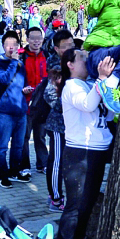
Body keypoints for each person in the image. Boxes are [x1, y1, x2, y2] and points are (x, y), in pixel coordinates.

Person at [55, 48, 115, 239]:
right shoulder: (71, 86)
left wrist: (109, 83)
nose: (88, 61)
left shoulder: (90, 84)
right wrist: (102, 78)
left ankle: (78, 238)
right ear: (70, 64)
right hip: (79, 151)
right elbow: (88, 104)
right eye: (82, 58)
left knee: (88, 200)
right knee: (75, 203)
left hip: (98, 149)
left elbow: (110, 111)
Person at [0, 31, 29, 188]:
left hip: (20, 110)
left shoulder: (21, 64)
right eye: (8, 44)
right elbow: (4, 79)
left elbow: (21, 83)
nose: (11, 47)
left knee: (18, 145)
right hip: (4, 112)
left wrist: (25, 89)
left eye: (14, 44)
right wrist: (14, 62)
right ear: (3, 46)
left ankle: (14, 171)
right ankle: (2, 175)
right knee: (2, 146)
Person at [18, 27, 49, 176]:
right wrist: (22, 88)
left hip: (43, 105)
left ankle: (42, 164)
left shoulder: (48, 56)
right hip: (26, 104)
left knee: (40, 136)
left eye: (39, 38)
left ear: (42, 40)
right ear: (27, 39)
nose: (36, 41)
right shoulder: (21, 58)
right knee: (24, 136)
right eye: (33, 37)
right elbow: (15, 79)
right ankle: (24, 166)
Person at [44, 66, 66, 212]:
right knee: (56, 162)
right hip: (58, 127)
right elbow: (52, 100)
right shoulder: (57, 73)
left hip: (71, 129)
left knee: (62, 162)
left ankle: (57, 196)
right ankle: (55, 198)